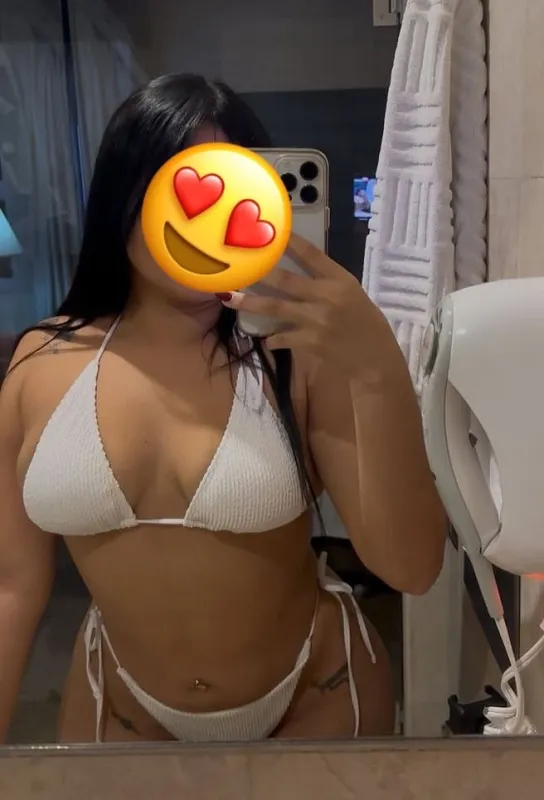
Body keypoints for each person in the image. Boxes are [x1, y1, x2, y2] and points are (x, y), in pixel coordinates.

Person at [0, 73, 446, 744]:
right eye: (181, 190)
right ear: (123, 196)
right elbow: (11, 587)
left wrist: (376, 363)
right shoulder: (41, 361)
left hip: (317, 696)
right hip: (120, 709)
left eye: (233, 195)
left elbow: (411, 567)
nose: (205, 223)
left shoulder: (298, 353)